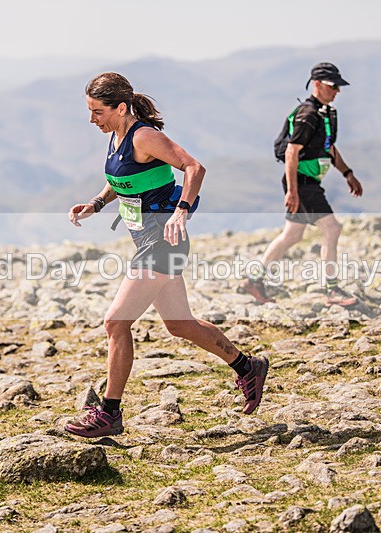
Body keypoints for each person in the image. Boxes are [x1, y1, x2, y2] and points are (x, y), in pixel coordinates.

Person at [65, 72, 269, 438]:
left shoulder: (144, 136)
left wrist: (181, 211)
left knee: (116, 322)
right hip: (149, 241)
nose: (91, 119)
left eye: (97, 112)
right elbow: (122, 179)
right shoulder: (117, 136)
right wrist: (97, 203)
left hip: (164, 240)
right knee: (179, 324)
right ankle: (247, 367)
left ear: (120, 107)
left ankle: (109, 412)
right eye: (90, 111)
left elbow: (194, 167)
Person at [240, 63, 363, 306]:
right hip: (303, 184)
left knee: (292, 236)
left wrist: (347, 173)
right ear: (317, 84)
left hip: (307, 182)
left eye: (339, 86)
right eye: (332, 86)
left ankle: (253, 281)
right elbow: (291, 153)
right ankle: (333, 290)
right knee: (332, 229)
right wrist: (293, 191)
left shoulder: (324, 113)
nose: (337, 90)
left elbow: (328, 148)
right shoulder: (308, 114)